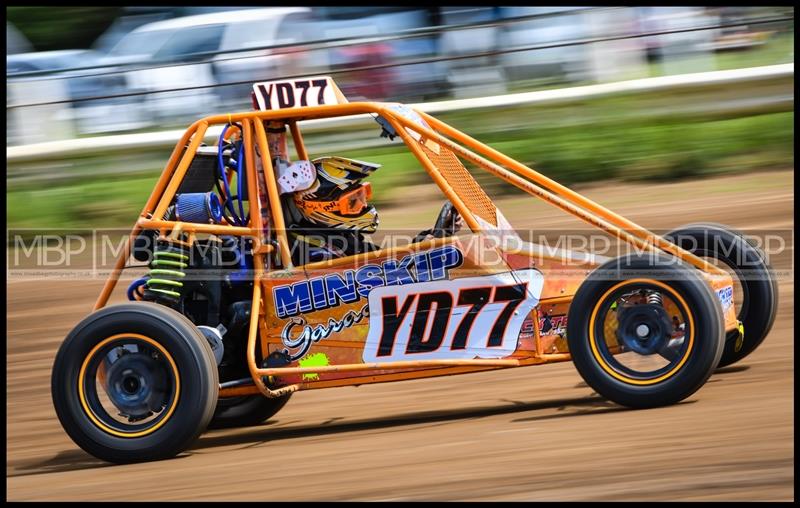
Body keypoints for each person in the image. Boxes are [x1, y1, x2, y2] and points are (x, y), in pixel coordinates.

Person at [278, 154, 381, 265]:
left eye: (362, 195)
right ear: (319, 208)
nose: (364, 205)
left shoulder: (341, 238)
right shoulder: (318, 253)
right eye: (352, 201)